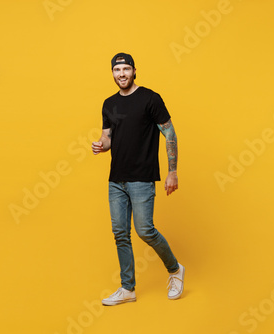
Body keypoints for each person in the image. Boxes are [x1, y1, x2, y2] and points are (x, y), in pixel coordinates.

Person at [92, 52, 185, 306]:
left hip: (142, 177)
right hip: (116, 180)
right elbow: (108, 137)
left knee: (145, 230)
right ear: (112, 73)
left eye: (125, 69)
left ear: (134, 71)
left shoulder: (150, 99)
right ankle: (127, 288)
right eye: (116, 70)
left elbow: (170, 134)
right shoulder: (108, 104)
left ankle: (175, 270)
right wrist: (101, 145)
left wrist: (172, 171)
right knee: (120, 233)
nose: (121, 74)